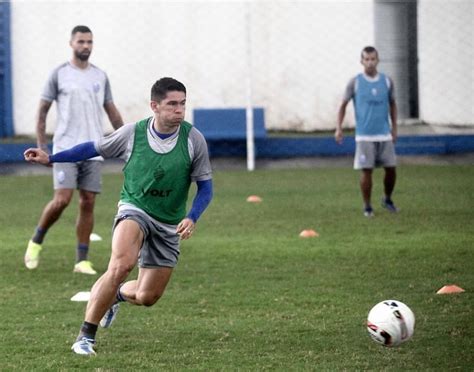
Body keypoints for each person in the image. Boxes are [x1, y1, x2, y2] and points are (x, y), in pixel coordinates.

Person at [24, 77, 214, 356]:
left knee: (148, 297)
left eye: (183, 104)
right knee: (121, 265)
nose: (179, 110)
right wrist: (51, 158)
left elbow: (206, 187)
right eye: (172, 104)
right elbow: (92, 148)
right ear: (154, 106)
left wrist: (192, 216)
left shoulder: (193, 139)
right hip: (134, 209)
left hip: (168, 224)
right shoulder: (132, 134)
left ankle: (117, 296)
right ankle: (85, 336)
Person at [24, 25, 124, 275]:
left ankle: (82, 260)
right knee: (62, 200)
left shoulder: (100, 76)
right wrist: (42, 147)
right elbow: (42, 112)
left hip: (92, 148)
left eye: (89, 42)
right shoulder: (59, 74)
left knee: (88, 201)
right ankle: (36, 241)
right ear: (71, 44)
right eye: (81, 41)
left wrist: (129, 140)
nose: (86, 46)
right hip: (65, 148)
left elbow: (111, 111)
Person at [335, 46, 399, 217]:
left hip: (384, 134)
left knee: (391, 169)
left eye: (373, 59)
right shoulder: (355, 82)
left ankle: (387, 198)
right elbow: (343, 105)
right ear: (361, 61)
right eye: (367, 59)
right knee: (367, 170)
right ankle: (367, 206)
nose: (370, 62)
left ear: (377, 60)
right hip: (364, 136)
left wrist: (394, 129)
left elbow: (393, 104)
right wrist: (339, 128)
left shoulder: (386, 81)